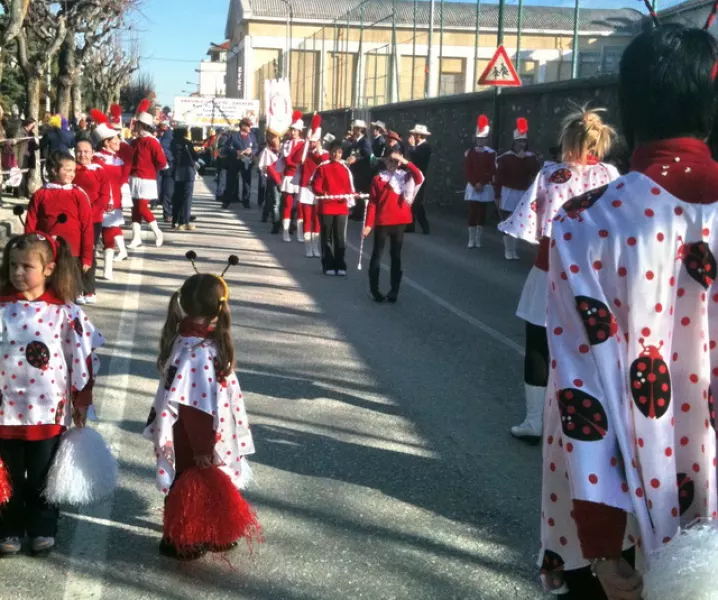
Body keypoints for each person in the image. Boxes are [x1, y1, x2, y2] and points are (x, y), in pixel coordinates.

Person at [539, 23, 718, 600]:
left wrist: (601, 547)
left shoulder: (585, 221)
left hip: (635, 514)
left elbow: (580, 391)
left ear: (627, 103)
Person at [499, 108, 618, 442]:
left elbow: (530, 221)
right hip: (595, 272)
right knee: (587, 346)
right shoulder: (610, 175)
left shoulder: (550, 173)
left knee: (539, 342)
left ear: (567, 140)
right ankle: (587, 420)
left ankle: (535, 420)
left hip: (550, 264)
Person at [0, 232, 103, 556]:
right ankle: (10, 527)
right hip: (5, 410)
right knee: (9, 475)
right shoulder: (2, 308)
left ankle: (43, 526)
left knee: (44, 474)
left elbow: (81, 359)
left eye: (26, 266)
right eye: (12, 265)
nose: (17, 273)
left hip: (47, 411)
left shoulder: (66, 314)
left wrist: (82, 401)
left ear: (48, 268)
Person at [144, 261, 255, 559]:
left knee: (189, 482)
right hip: (194, 433)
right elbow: (196, 406)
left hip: (183, 430)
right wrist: (204, 446)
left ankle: (204, 530)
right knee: (191, 481)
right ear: (219, 309)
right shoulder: (201, 352)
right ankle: (181, 536)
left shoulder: (186, 339)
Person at [25, 151, 94, 299]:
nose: (72, 174)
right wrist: (28, 250)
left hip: (72, 254)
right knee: (46, 293)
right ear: (54, 170)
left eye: (73, 170)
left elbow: (87, 227)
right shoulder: (40, 194)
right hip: (46, 252)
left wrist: (87, 257)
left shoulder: (78, 194)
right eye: (67, 170)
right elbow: (30, 224)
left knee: (68, 294)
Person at [363, 148, 424, 303]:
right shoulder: (378, 179)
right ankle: (374, 289)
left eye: (395, 161)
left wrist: (404, 161)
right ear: (385, 161)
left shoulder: (405, 177)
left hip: (399, 222)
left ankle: (394, 290)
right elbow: (372, 203)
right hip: (383, 221)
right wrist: (369, 224)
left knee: (396, 256)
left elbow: (419, 176)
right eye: (390, 160)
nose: (393, 164)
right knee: (377, 255)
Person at [494, 118, 541, 260]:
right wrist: (497, 195)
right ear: (514, 142)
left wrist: (525, 160)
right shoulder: (505, 158)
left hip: (523, 193)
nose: (521, 144)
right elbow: (499, 178)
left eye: (524, 142)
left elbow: (535, 172)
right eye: (519, 142)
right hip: (508, 192)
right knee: (508, 220)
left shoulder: (530, 158)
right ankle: (508, 249)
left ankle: (515, 249)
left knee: (518, 221)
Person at [92, 114, 130, 280]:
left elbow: (122, 179)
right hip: (101, 201)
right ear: (106, 142)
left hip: (115, 201)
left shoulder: (117, 159)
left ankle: (108, 269)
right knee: (94, 235)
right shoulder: (97, 159)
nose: (119, 142)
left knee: (109, 234)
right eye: (116, 139)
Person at [73, 138, 111, 303]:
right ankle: (76, 288)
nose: (82, 155)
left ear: (92, 153)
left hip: (93, 219)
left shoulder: (99, 171)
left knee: (89, 252)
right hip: (74, 219)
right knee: (74, 253)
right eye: (79, 151)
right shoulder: (70, 169)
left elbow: (104, 195)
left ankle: (89, 289)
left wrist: (90, 212)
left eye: (86, 151)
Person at [312, 140, 355, 276]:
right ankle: (328, 264)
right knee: (327, 237)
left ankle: (340, 264)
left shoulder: (345, 169)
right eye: (334, 152)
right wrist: (323, 193)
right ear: (330, 153)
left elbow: (349, 188)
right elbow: (316, 185)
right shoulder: (323, 167)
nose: (337, 154)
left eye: (339, 152)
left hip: (341, 207)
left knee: (340, 237)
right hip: (326, 207)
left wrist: (353, 197)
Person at [127, 102, 167, 249]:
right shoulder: (135, 141)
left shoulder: (152, 141)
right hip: (134, 177)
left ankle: (157, 232)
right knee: (135, 208)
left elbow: (161, 161)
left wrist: (151, 170)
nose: (134, 127)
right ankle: (136, 238)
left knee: (143, 208)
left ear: (142, 125)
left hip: (146, 179)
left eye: (136, 125)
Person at [464, 115, 496, 249]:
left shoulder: (491, 153)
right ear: (476, 139)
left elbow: (491, 170)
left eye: (483, 138)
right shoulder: (470, 152)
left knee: (482, 212)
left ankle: (478, 239)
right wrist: (474, 183)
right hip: (473, 185)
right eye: (479, 138)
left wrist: (482, 182)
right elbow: (467, 169)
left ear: (486, 139)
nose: (481, 140)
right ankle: (471, 239)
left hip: (484, 185)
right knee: (473, 211)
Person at [298, 115, 328, 258]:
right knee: (307, 218)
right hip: (305, 188)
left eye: (316, 142)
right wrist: (307, 143)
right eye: (312, 142)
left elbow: (324, 162)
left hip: (318, 189)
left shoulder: (324, 154)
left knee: (317, 219)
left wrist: (319, 149)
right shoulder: (306, 153)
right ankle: (307, 247)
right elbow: (300, 160)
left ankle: (315, 247)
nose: (313, 144)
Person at [280, 111, 306, 242]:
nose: (294, 132)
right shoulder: (286, 144)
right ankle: (285, 232)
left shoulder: (304, 144)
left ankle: (300, 233)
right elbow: (287, 160)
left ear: (300, 131)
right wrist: (294, 163)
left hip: (300, 177)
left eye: (296, 130)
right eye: (293, 130)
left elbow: (305, 160)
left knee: (300, 206)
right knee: (287, 204)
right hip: (289, 177)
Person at [223, 118, 258, 209]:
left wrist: (251, 151)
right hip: (235, 161)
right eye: (248, 126)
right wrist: (236, 152)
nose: (250, 127)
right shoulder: (234, 136)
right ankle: (226, 201)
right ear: (242, 126)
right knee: (231, 181)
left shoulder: (252, 136)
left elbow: (256, 147)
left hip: (247, 162)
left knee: (247, 182)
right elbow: (227, 147)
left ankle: (246, 201)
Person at [170, 125, 199, 231]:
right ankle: (184, 222)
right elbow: (195, 157)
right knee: (187, 197)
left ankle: (175, 220)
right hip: (187, 172)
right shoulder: (187, 143)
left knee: (177, 196)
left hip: (176, 172)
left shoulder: (172, 143)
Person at [406, 124, 432, 234]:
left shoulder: (426, 147)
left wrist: (412, 147)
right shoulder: (419, 147)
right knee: (413, 201)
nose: (413, 137)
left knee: (416, 202)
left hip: (420, 178)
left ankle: (423, 226)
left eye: (415, 135)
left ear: (419, 136)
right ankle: (411, 226)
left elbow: (419, 159)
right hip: (413, 176)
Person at [346, 119, 373, 221]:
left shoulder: (365, 141)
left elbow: (368, 155)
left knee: (361, 191)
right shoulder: (354, 141)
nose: (353, 130)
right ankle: (356, 211)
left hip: (362, 171)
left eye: (355, 129)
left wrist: (356, 159)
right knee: (356, 190)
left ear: (360, 130)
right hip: (355, 170)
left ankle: (360, 213)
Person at [156, 121, 174, 221]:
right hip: (168, 168)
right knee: (168, 191)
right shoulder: (165, 138)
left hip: (167, 167)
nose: (160, 132)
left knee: (166, 191)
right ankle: (168, 214)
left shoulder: (165, 139)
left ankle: (168, 213)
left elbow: (164, 150)